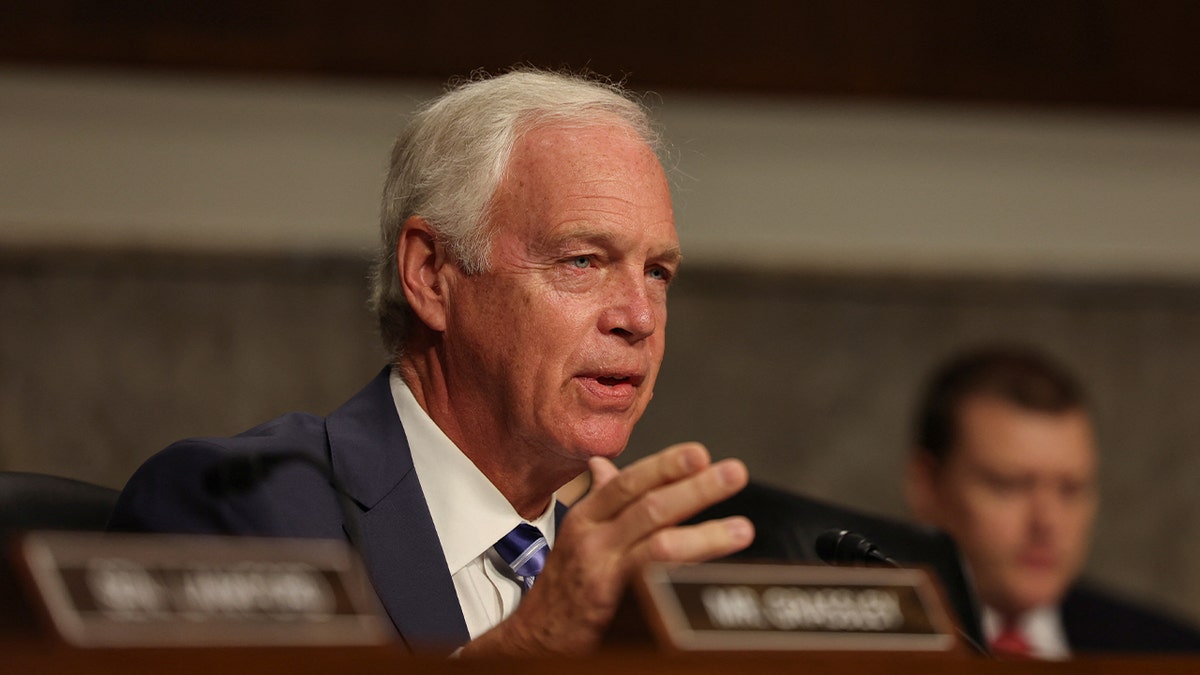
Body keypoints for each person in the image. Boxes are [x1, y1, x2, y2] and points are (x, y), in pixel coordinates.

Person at [108, 69, 754, 656]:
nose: (638, 317)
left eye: (658, 272)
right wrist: (529, 647)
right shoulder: (241, 509)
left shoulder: (626, 569)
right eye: (582, 260)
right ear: (431, 274)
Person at [905, 345, 1200, 658]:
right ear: (928, 487)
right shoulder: (863, 647)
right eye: (1010, 486)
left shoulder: (1170, 653)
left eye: (1070, 490)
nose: (1047, 522)